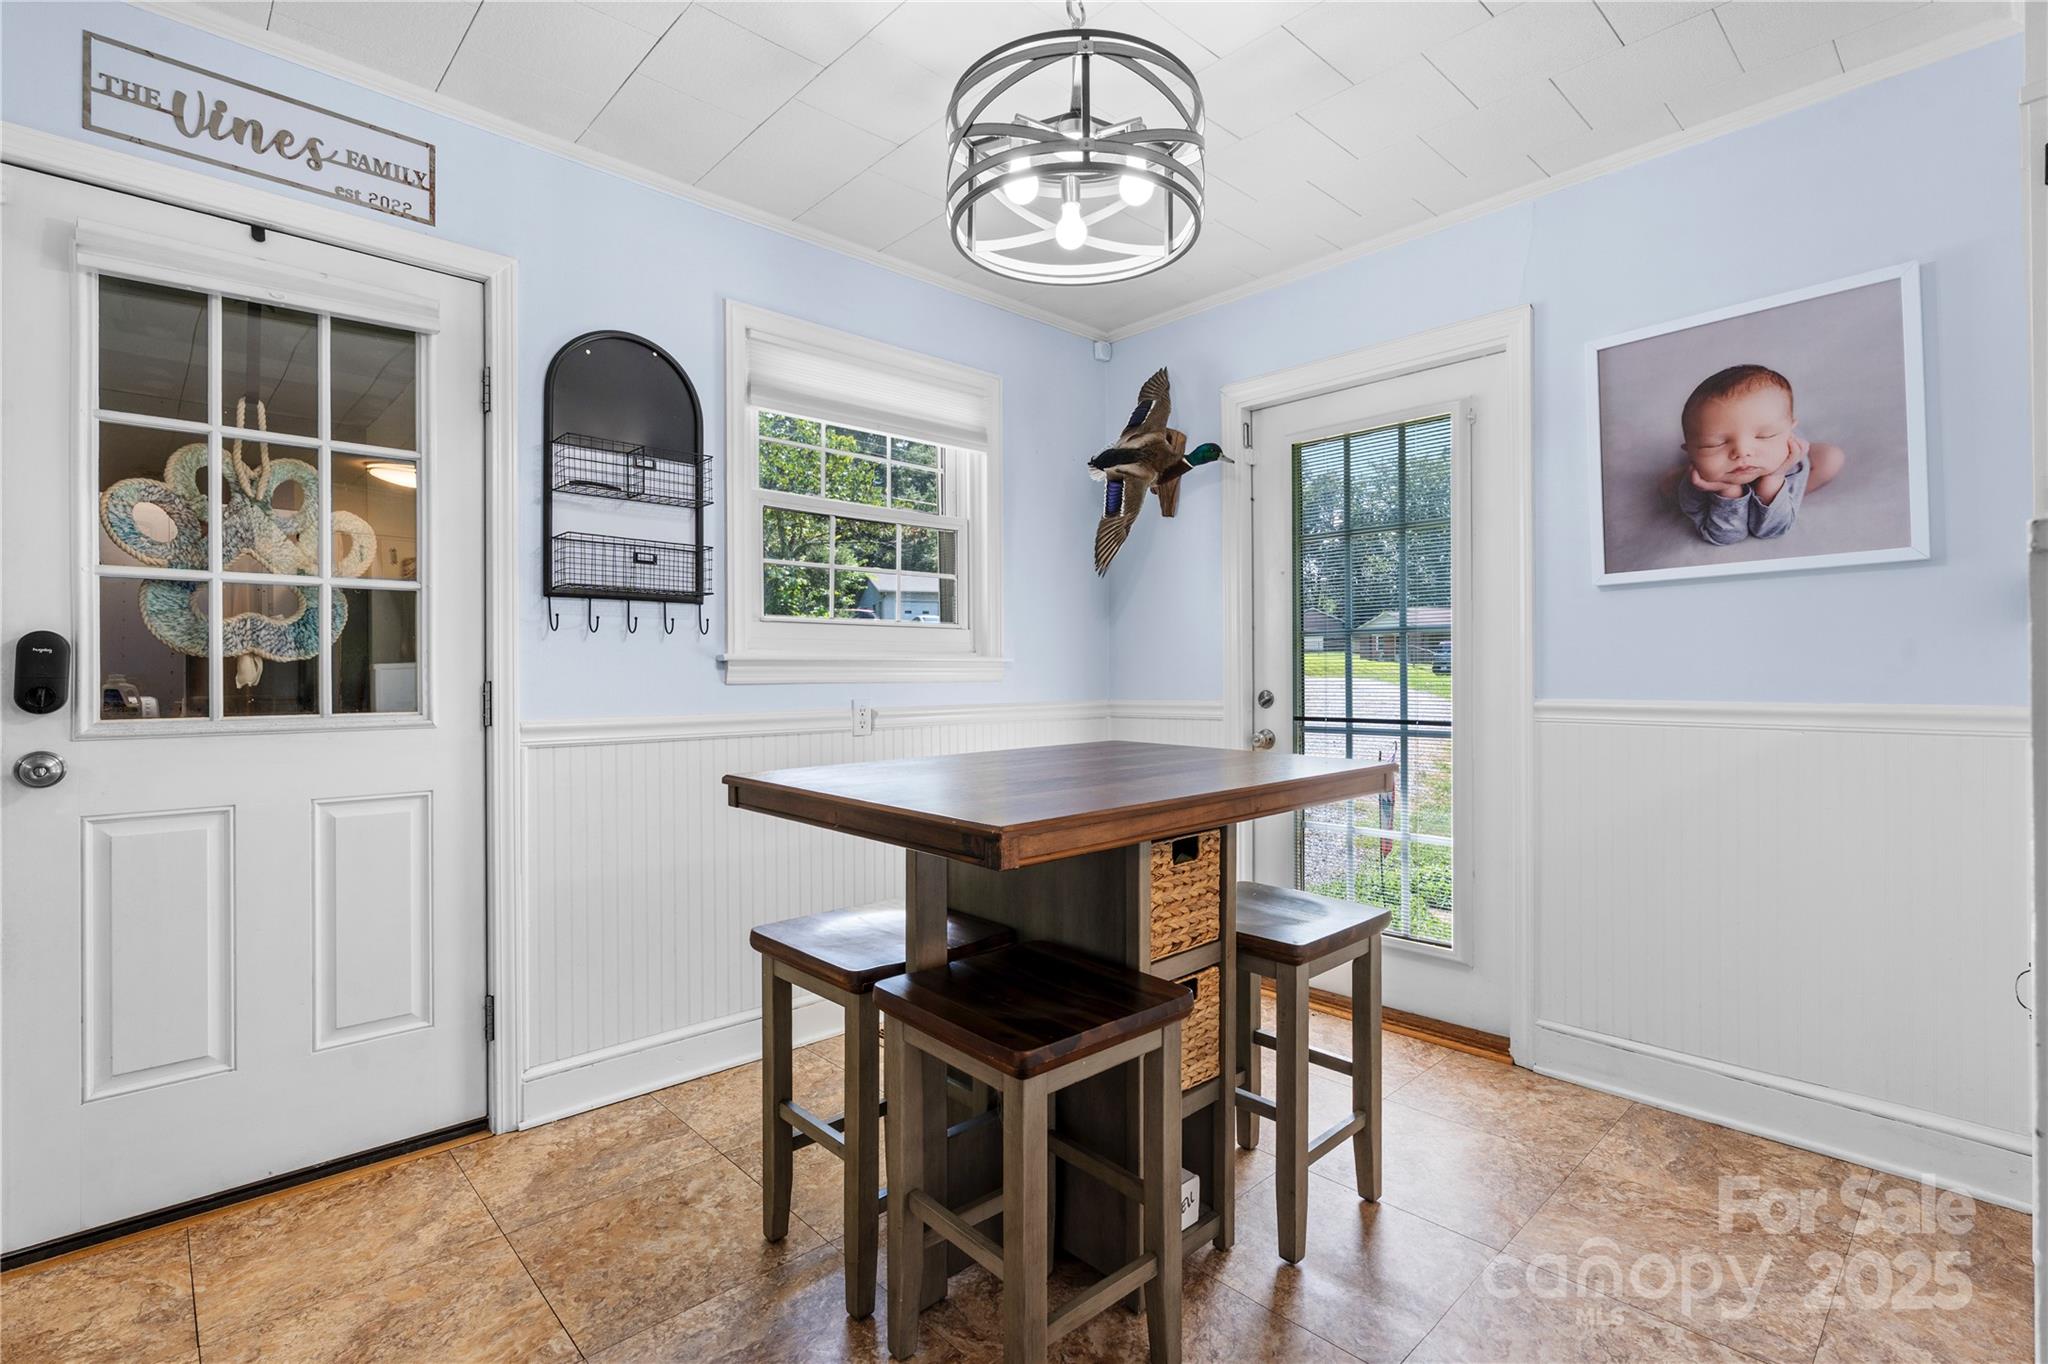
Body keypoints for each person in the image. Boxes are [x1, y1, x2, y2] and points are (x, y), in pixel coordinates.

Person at [1667, 364, 1845, 545]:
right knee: (1667, 487)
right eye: (1714, 444)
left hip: (1781, 464)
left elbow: (1772, 530)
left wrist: (1775, 478)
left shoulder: (1792, 463)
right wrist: (1727, 492)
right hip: (1714, 481)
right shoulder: (1695, 488)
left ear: (1789, 432)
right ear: (1690, 453)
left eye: (1764, 436)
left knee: (1831, 458)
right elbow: (1726, 536)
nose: (1742, 452)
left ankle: (1786, 498)